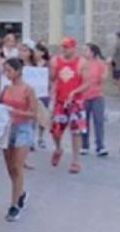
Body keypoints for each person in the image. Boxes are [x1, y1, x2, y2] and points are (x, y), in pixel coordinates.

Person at [0, 58, 38, 222]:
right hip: (8, 127)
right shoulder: (6, 88)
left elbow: (34, 113)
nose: (7, 74)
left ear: (18, 71)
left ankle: (14, 204)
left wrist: (16, 112)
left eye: (9, 70)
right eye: (5, 70)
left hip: (22, 127)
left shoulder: (28, 89)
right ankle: (19, 192)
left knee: (17, 165)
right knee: (10, 167)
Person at [49, 37, 90, 173]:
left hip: (76, 101)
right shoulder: (56, 60)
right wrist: (53, 70)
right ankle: (58, 148)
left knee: (76, 131)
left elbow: (87, 83)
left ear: (73, 48)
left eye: (66, 47)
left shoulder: (82, 62)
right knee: (56, 130)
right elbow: (52, 78)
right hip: (60, 100)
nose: (64, 49)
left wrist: (75, 92)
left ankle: (75, 160)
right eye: (62, 47)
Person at [81, 43, 109, 157]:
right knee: (84, 122)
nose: (84, 52)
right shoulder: (82, 63)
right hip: (83, 96)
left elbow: (104, 77)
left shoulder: (100, 64)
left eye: (86, 50)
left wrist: (103, 75)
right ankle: (84, 145)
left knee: (98, 121)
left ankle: (100, 146)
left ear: (92, 52)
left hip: (97, 95)